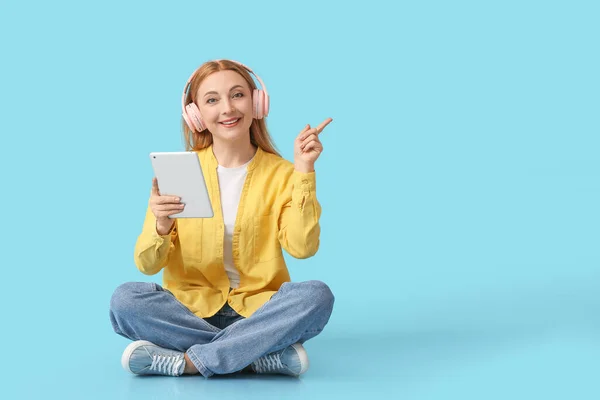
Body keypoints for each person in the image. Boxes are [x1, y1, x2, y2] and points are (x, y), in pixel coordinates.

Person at [109, 59, 335, 378]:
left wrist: (304, 171)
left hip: (258, 313)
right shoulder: (179, 171)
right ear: (196, 114)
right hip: (190, 312)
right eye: (212, 100)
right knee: (125, 300)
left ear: (257, 103)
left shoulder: (285, 174)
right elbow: (147, 265)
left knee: (316, 296)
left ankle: (189, 362)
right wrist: (161, 226)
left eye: (238, 95)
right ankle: (255, 355)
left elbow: (302, 248)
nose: (227, 108)